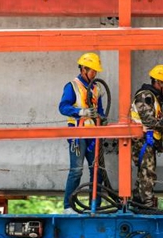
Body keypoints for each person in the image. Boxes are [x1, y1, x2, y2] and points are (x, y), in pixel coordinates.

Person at [59, 52, 106, 214]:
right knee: (76, 170)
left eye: (96, 71)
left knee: (97, 170)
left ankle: (96, 206)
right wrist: (81, 112)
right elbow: (63, 107)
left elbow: (100, 111)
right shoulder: (72, 86)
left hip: (93, 135)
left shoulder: (96, 89)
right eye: (92, 71)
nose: (95, 74)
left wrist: (101, 117)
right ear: (84, 69)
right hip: (78, 134)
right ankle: (68, 206)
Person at [130, 64, 163, 208]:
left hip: (147, 141)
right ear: (159, 82)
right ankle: (147, 203)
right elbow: (149, 121)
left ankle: (138, 199)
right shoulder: (145, 96)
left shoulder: (154, 98)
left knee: (144, 172)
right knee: (147, 172)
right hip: (141, 141)